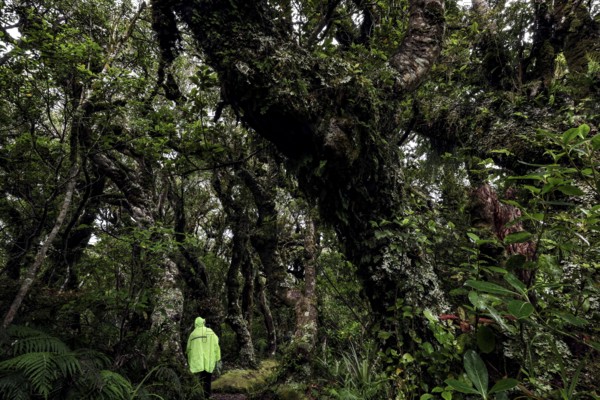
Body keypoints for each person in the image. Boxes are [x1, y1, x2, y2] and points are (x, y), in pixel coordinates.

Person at [186, 316, 221, 399]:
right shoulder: (210, 332)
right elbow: (216, 344)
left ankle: (198, 395)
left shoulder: (193, 334)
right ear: (203, 323)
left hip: (197, 361)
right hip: (208, 360)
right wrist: (217, 358)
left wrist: (189, 358)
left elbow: (188, 348)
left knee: (198, 379)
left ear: (195, 324)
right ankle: (207, 396)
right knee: (208, 379)